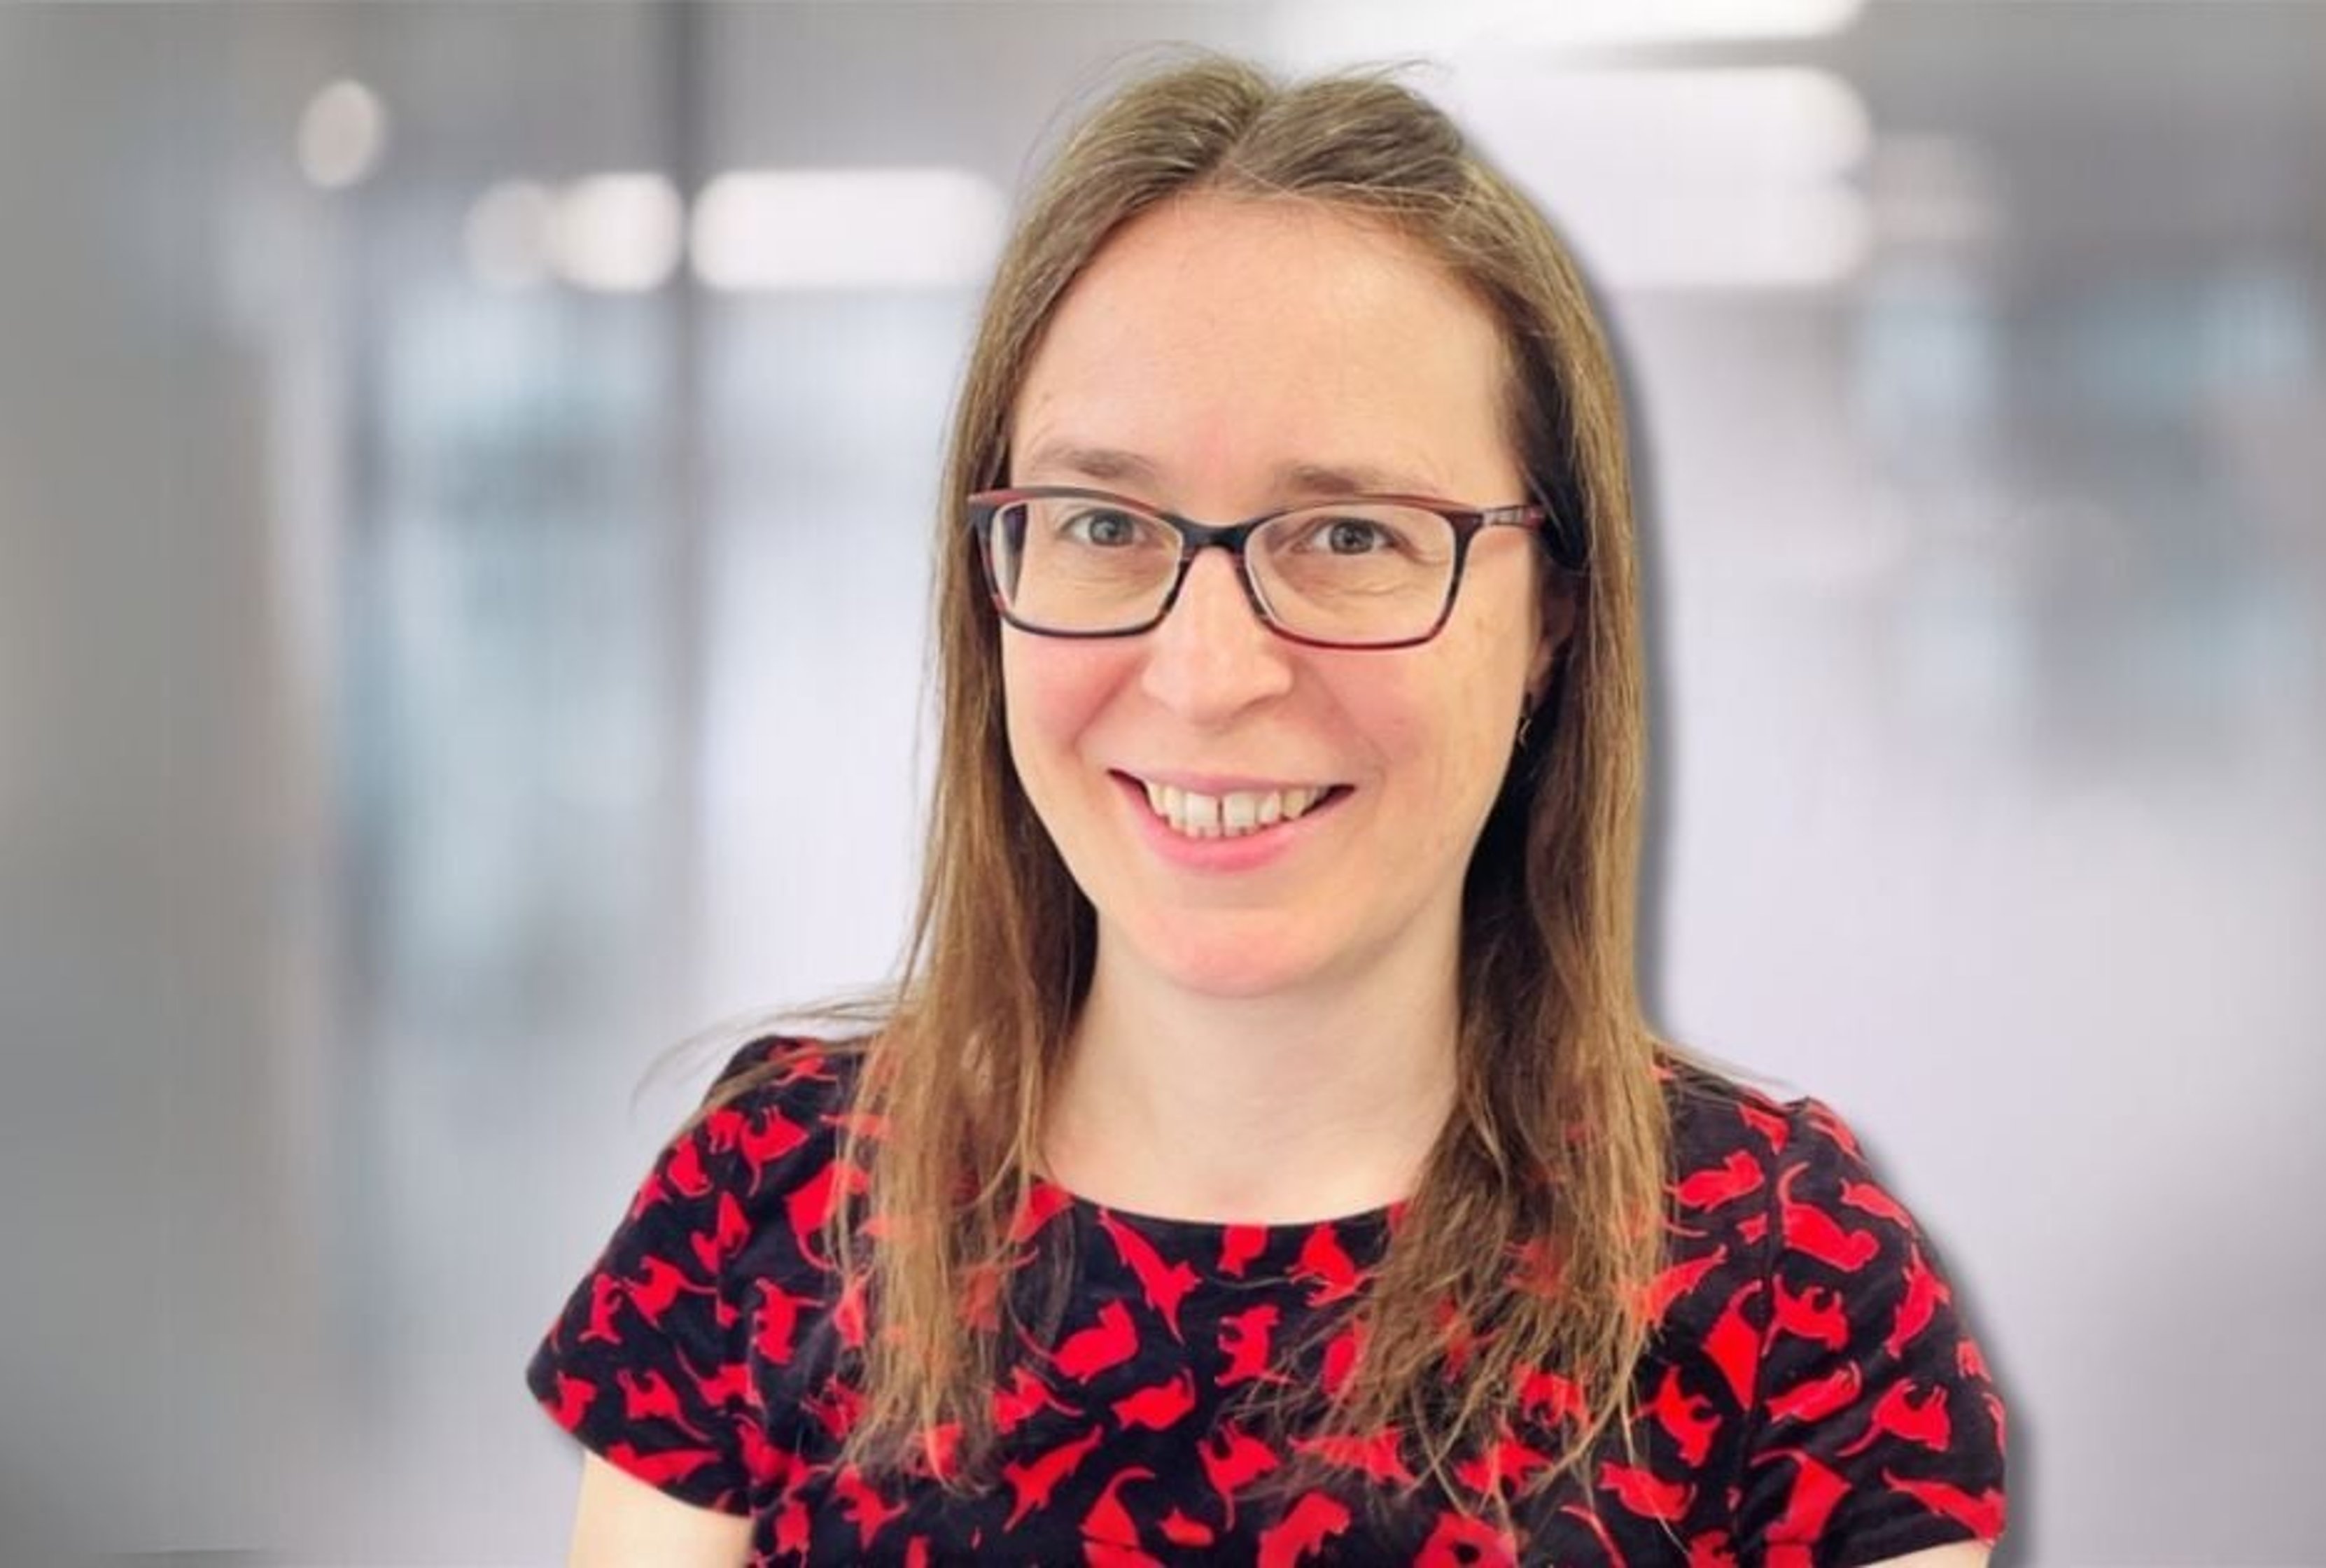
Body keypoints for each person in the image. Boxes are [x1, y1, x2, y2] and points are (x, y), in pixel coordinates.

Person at [526, 52, 2008, 1566]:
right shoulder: (769, 1203)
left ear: (1556, 611)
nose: (1209, 670)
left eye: (1351, 533)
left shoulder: (1785, 1281)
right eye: (1103, 523)